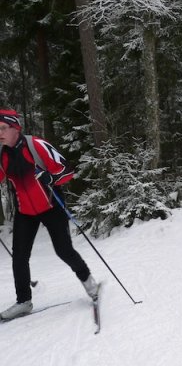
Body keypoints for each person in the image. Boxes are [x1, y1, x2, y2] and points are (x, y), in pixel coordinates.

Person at [0, 109, 98, 321]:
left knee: (64, 250)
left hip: (52, 206)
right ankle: (24, 301)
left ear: (15, 128)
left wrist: (50, 178)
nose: (0, 133)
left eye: (3, 128)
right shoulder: (3, 156)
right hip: (25, 211)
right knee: (19, 257)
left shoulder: (36, 145)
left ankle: (91, 285)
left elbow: (67, 171)